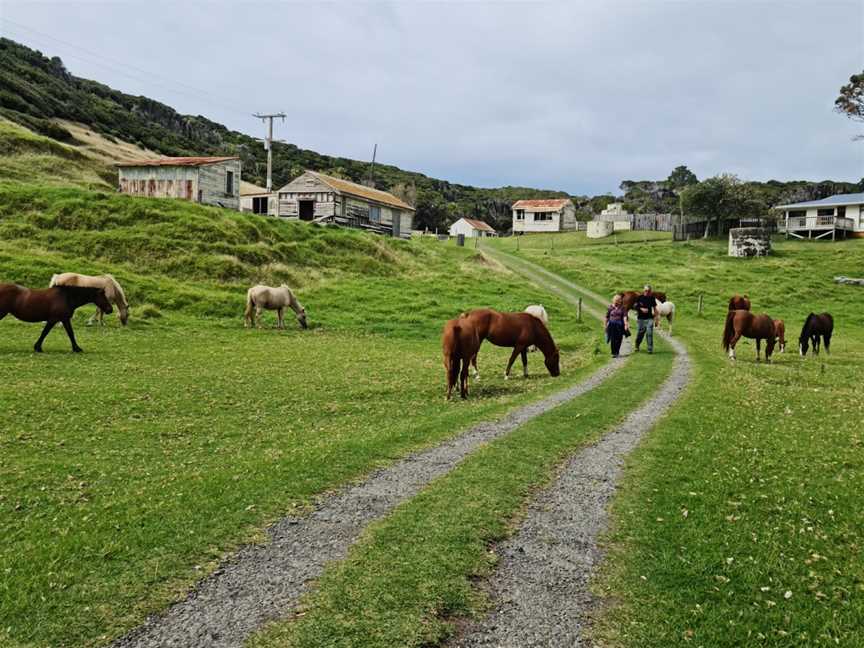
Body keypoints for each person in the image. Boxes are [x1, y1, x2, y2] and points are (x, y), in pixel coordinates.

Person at [604, 293, 629, 358]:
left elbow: (625, 316)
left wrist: (626, 324)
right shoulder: (610, 307)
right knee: (613, 339)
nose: (616, 302)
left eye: (618, 301)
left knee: (619, 339)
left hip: (620, 325)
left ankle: (617, 351)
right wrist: (605, 325)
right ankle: (613, 352)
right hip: (612, 325)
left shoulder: (623, 308)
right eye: (615, 301)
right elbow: (606, 317)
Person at [634, 284, 657, 353]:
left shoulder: (652, 298)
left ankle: (650, 349)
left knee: (649, 333)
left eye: (648, 291)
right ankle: (637, 345)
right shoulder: (639, 297)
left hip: (650, 318)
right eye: (646, 290)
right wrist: (641, 309)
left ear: (650, 291)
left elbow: (655, 308)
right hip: (641, 319)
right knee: (640, 334)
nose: (647, 292)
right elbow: (635, 306)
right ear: (643, 290)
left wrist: (656, 319)